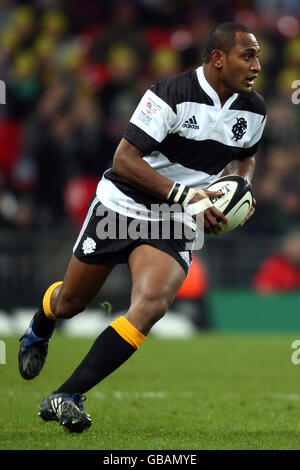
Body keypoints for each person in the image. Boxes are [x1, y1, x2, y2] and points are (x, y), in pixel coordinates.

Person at [18, 22, 266, 433]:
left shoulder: (253, 107)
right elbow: (124, 160)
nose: (257, 64)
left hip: (173, 221)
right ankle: (42, 323)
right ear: (218, 59)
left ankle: (67, 394)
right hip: (121, 205)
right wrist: (187, 196)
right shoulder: (169, 94)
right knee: (71, 303)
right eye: (248, 55)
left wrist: (238, 192)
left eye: (257, 55)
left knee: (152, 304)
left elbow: (246, 157)